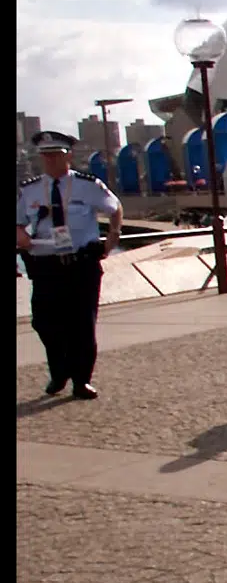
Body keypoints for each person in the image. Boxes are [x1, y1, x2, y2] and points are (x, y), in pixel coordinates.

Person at [15, 130, 122, 399]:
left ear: (68, 156)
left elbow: (114, 208)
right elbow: (17, 222)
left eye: (56, 155)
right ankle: (59, 371)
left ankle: (81, 380)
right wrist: (21, 236)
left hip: (80, 264)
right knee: (44, 322)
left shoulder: (87, 185)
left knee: (82, 324)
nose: (50, 160)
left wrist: (112, 237)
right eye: (46, 156)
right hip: (45, 265)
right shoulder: (29, 189)